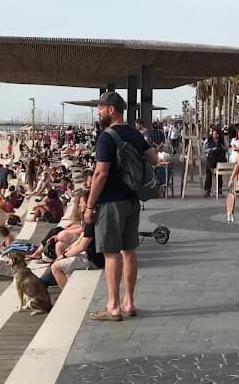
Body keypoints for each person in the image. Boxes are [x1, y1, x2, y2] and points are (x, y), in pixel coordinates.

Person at [85, 91, 157, 321]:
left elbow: (100, 173)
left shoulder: (106, 137)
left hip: (110, 203)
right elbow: (154, 158)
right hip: (132, 200)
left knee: (111, 254)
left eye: (100, 108)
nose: (98, 112)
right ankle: (129, 302)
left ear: (111, 109)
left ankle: (113, 306)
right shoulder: (135, 133)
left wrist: (89, 205)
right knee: (129, 251)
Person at [51, 220, 105, 289]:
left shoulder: (91, 222)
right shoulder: (96, 220)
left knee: (55, 268)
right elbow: (82, 236)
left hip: (94, 258)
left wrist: (64, 256)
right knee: (60, 247)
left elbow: (82, 247)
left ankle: (68, 293)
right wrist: (71, 247)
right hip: (94, 253)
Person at [203, 127, 227, 198]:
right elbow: (204, 149)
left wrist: (222, 147)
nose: (216, 135)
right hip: (211, 159)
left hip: (220, 159)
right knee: (208, 175)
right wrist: (211, 149)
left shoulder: (221, 140)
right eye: (214, 133)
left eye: (217, 134)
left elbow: (226, 148)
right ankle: (207, 190)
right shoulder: (208, 140)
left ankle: (219, 190)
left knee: (219, 176)